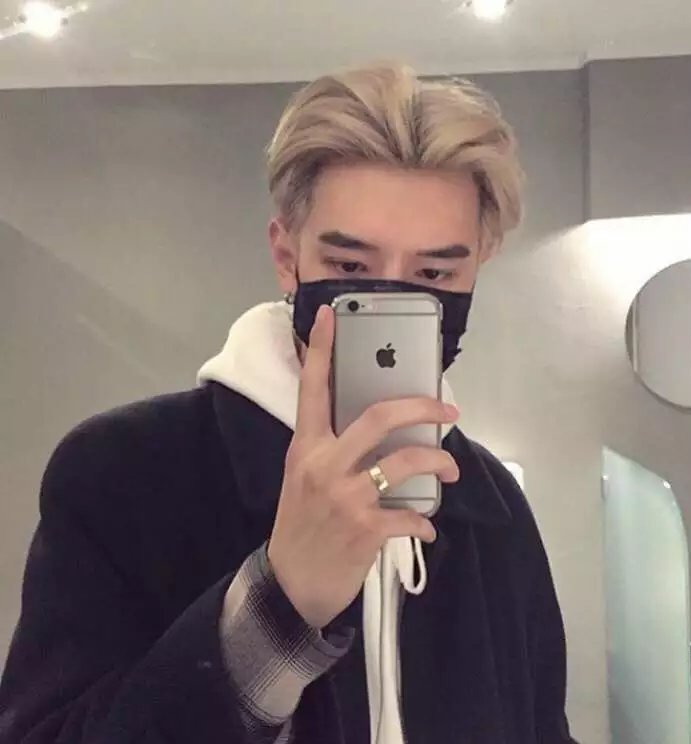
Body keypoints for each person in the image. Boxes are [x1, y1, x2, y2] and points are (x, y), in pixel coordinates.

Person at [0, 63, 577, 744]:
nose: (391, 302)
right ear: (287, 257)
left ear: (477, 266)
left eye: (433, 273)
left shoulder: (491, 505)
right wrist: (281, 606)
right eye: (351, 267)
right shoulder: (123, 471)